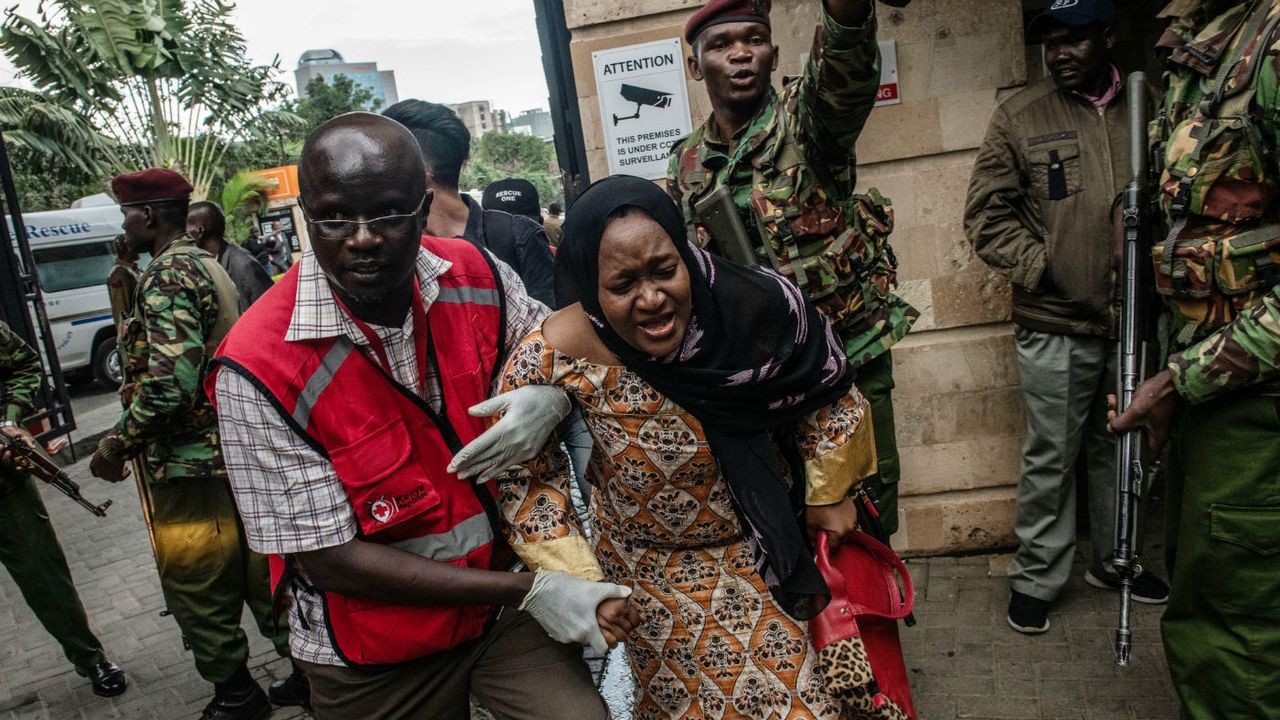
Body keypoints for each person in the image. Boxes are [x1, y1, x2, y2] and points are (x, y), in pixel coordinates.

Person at [208, 113, 636, 720]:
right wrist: (535, 589)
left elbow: (569, 354)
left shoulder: (479, 275)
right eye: (334, 217)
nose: (360, 238)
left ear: (422, 205)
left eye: (385, 213)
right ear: (307, 213)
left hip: (497, 611)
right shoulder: (255, 366)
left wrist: (557, 395)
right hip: (376, 646)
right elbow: (329, 559)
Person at [497, 175, 886, 719]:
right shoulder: (550, 354)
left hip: (764, 550)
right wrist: (582, 581)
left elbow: (828, 394)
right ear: (590, 283)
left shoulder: (755, 305)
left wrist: (830, 491)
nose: (651, 298)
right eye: (623, 284)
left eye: (664, 270)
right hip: (647, 576)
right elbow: (526, 479)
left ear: (686, 254)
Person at [667, 0, 918, 535]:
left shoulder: (804, 122)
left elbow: (843, 71)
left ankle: (870, 616)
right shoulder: (686, 162)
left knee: (862, 517)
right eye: (720, 44)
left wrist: (846, 15)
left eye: (754, 39)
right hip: (758, 377)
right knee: (783, 518)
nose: (740, 54)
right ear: (695, 67)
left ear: (773, 52)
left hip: (845, 360)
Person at [963, 0, 1168, 635]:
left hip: (1136, 317)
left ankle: (1118, 560)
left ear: (1108, 36)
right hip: (1054, 321)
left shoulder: (1151, 107)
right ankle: (1036, 577)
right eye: (1050, 43)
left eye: (1074, 40)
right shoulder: (1020, 117)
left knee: (1123, 445)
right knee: (1052, 453)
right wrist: (1049, 267)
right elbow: (985, 217)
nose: (1059, 54)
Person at [1109, 1, 1280, 716]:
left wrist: (1185, 377)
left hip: (1256, 404)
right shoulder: (1207, 34)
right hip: (1216, 398)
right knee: (1211, 609)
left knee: (1233, 642)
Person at [87, 168, 303, 720]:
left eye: (127, 216)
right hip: (227, 452)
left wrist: (116, 445)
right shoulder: (203, 262)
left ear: (148, 216)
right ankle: (308, 676)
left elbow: (169, 386)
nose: (124, 226)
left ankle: (237, 695)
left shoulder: (168, 276)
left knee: (198, 583)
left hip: (190, 465)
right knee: (261, 574)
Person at [0, 320, 128, 699]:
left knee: (45, 576)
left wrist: (8, 419)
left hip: (5, 487)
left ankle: (90, 658)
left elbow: (25, 363)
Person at [382, 100, 557, 307]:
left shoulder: (518, 237)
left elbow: (549, 329)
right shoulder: (390, 246)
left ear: (418, 170)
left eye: (382, 161)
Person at [188, 201, 274, 313]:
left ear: (200, 231)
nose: (182, 234)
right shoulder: (209, 262)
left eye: (185, 227)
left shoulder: (243, 264)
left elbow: (269, 311)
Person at [106, 234, 142, 330]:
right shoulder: (119, 274)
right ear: (128, 249)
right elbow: (120, 309)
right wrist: (128, 337)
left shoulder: (133, 269)